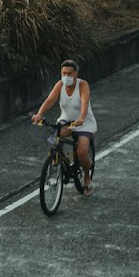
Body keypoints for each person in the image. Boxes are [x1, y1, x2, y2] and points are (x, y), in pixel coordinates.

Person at [32, 58, 97, 194]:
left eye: (69, 73)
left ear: (76, 74)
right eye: (64, 73)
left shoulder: (83, 85)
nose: (66, 76)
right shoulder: (60, 85)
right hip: (66, 119)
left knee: (82, 152)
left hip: (84, 122)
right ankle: (58, 157)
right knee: (55, 134)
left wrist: (81, 119)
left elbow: (85, 103)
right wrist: (39, 114)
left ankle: (86, 176)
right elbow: (49, 100)